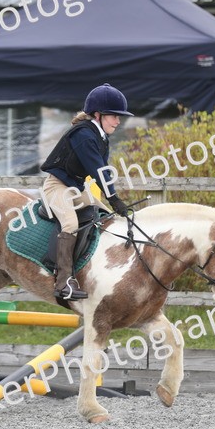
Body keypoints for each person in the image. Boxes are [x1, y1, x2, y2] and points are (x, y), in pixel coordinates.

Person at [40, 83, 133, 300]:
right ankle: (63, 282)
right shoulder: (83, 135)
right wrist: (114, 198)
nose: (118, 121)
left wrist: (111, 202)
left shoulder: (100, 136)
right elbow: (98, 171)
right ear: (98, 115)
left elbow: (104, 170)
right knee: (70, 224)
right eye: (114, 116)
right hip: (57, 187)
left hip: (75, 188)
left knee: (103, 213)